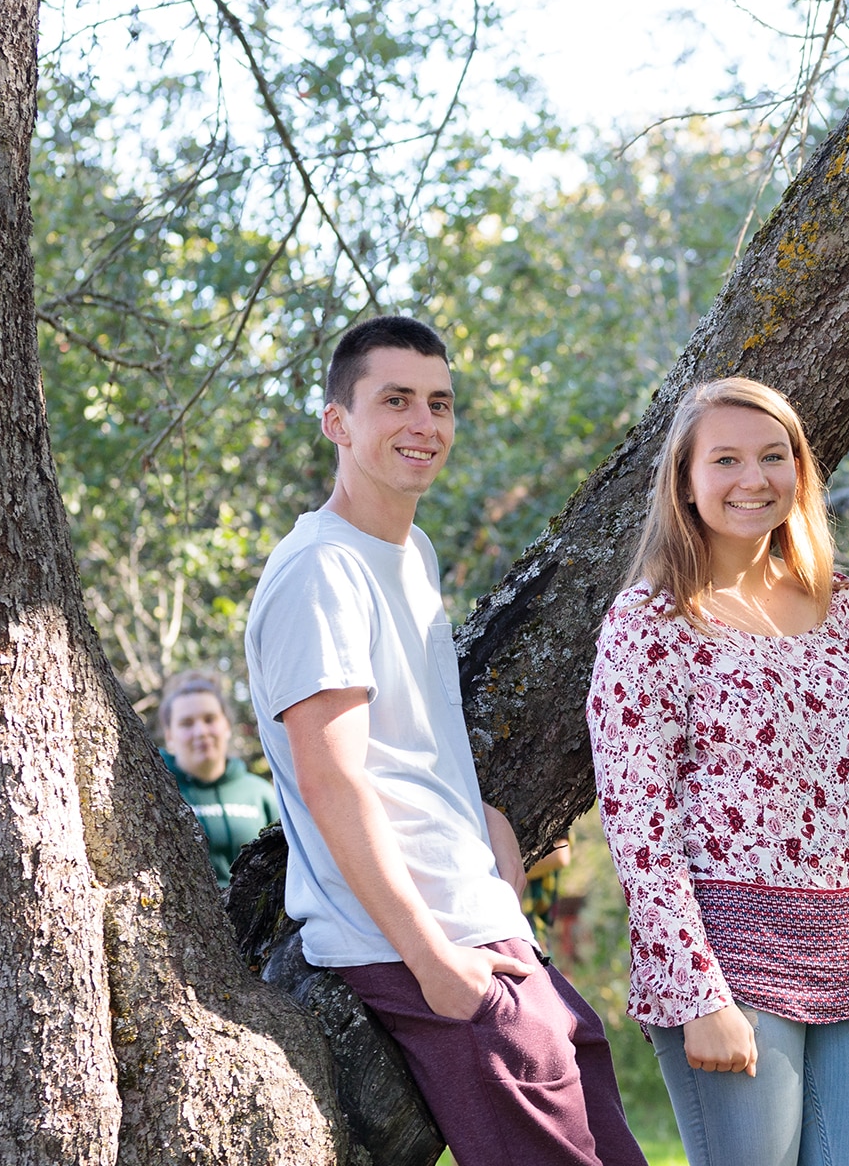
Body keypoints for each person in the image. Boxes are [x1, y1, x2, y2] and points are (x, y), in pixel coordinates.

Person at [243, 315, 646, 1166]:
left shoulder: (408, 552)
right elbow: (334, 783)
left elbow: (405, 749)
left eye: (440, 403)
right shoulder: (322, 572)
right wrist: (431, 960)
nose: (424, 425)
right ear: (337, 422)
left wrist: (487, 835)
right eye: (396, 401)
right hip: (417, 940)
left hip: (480, 920)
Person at [587, 378, 849, 1166]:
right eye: (725, 459)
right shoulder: (651, 622)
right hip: (725, 959)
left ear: (799, 472)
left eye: (773, 457)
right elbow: (638, 822)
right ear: (686, 481)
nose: (752, 479)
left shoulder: (845, 608)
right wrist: (698, 992)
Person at [155, 668, 279, 885]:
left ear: (227, 726)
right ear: (169, 737)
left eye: (209, 719)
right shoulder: (158, 796)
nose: (201, 731)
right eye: (186, 723)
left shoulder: (261, 795)